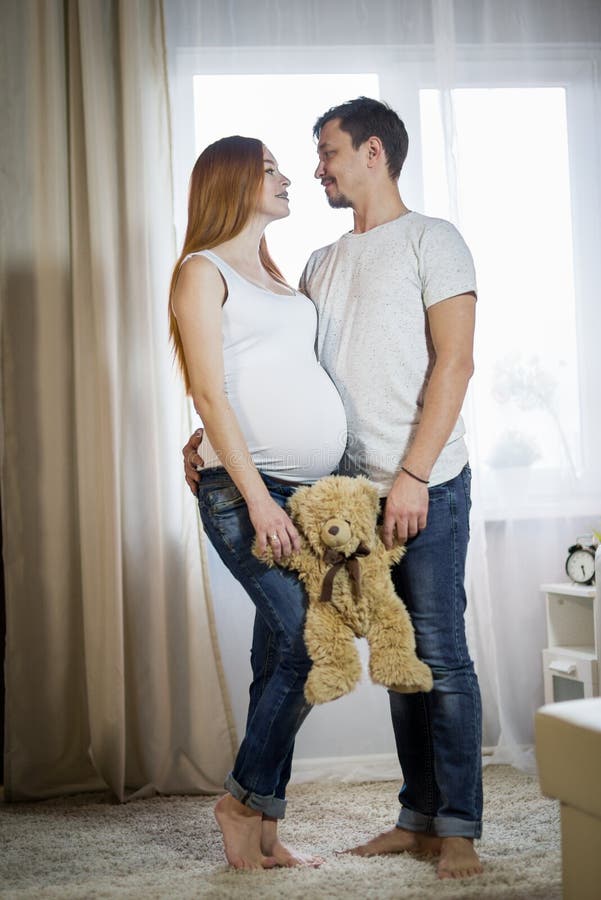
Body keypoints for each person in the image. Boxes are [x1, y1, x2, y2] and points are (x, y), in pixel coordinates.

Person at [183, 98, 483, 880]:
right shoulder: (316, 262)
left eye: (326, 151)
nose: (314, 166)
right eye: (308, 156)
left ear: (373, 152)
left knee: (438, 654)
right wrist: (208, 442)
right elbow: (271, 370)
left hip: (425, 482)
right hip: (339, 499)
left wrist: (413, 474)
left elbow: (454, 363)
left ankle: (455, 830)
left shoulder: (433, 240)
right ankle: (413, 817)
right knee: (385, 651)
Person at [170, 135, 347, 870]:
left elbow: (257, 373)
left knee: (279, 652)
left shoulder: (276, 278)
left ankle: (263, 824)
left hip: (305, 497)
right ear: (232, 182)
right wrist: (256, 501)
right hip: (250, 495)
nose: (286, 179)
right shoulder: (199, 271)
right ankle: (241, 802)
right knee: (311, 644)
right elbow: (208, 388)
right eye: (269, 168)